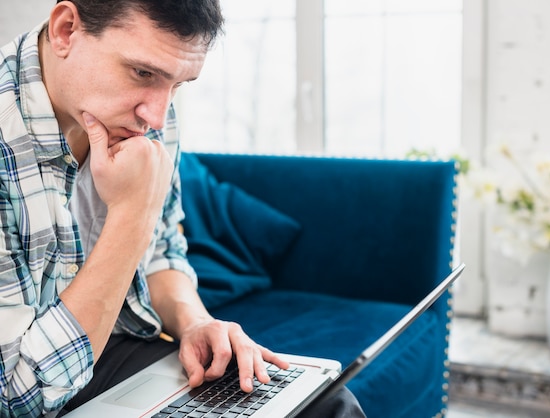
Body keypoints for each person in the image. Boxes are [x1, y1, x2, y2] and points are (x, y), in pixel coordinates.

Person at [0, 1, 366, 416]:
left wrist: (195, 321)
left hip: (111, 346)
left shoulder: (146, 111)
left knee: (326, 405)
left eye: (179, 84)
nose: (156, 116)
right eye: (142, 73)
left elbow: (162, 253)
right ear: (67, 30)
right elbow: (15, 397)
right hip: (31, 378)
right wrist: (131, 218)